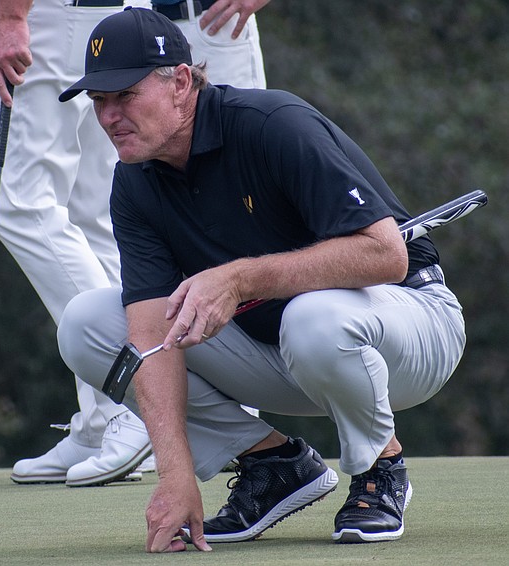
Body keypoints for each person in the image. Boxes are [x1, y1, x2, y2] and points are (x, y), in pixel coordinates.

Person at [56, 7, 465, 551]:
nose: (108, 117)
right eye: (98, 101)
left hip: (409, 328)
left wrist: (243, 278)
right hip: (282, 351)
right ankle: (272, 463)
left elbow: (386, 256)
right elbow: (151, 334)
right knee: (86, 324)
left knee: (313, 316)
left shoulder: (273, 124)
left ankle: (379, 468)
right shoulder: (134, 181)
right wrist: (174, 474)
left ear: (180, 82)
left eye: (124, 96)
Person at [0, 0, 269, 486]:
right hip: (127, 16)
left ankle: (133, 406)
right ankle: (108, 417)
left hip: (63, 14)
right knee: (95, 216)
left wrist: (10, 15)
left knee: (21, 206)